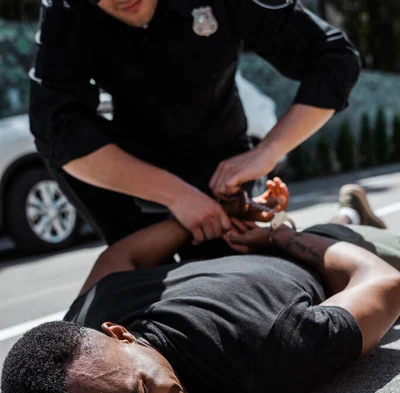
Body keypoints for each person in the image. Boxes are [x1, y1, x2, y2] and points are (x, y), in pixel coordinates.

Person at [2, 182, 399, 393]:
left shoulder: (269, 354)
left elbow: (383, 281)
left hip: (320, 256)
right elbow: (116, 260)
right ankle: (349, 211)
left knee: (345, 236)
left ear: (119, 334)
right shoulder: (83, 326)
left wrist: (276, 235)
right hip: (251, 257)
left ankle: (348, 218)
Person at [29, 0, 360, 254]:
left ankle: (349, 214)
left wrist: (268, 151)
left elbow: (334, 57)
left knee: (258, 267)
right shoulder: (65, 10)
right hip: (133, 174)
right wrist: (176, 196)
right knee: (133, 284)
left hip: (219, 166)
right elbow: (53, 125)